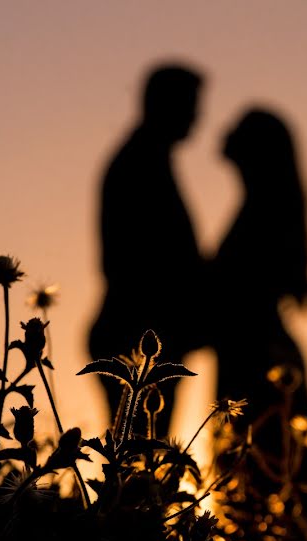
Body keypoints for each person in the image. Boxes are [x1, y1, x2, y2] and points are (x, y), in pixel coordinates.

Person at [208, 108, 307, 541]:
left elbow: (234, 292)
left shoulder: (264, 211)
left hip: (257, 360)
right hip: (252, 353)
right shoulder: (262, 206)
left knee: (264, 479)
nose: (224, 135)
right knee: (258, 482)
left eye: (237, 133)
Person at [88, 62, 206, 439]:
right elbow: (136, 262)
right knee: (138, 455)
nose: (197, 118)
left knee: (142, 453)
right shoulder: (140, 164)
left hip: (144, 333)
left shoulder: (150, 160)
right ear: (163, 104)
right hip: (135, 334)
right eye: (190, 105)